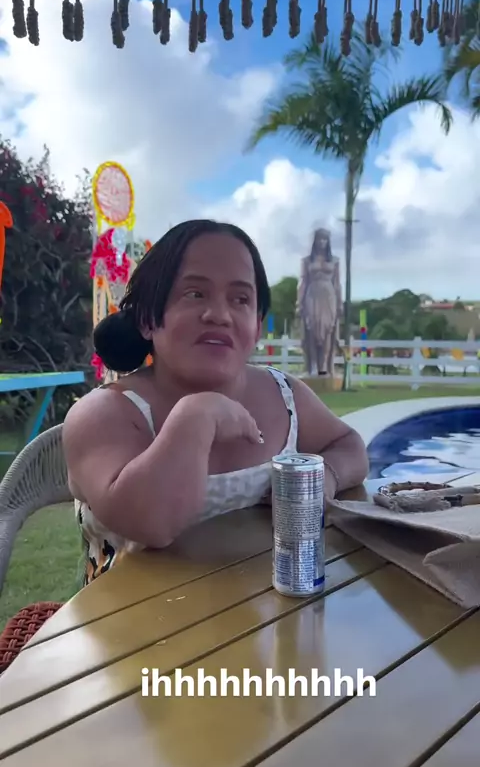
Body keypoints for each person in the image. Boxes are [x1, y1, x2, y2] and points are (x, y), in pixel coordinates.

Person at [63, 219, 369, 585]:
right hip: (128, 617)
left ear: (257, 325)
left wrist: (326, 477)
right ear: (147, 318)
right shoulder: (106, 413)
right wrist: (195, 418)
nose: (220, 315)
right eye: (195, 294)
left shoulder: (285, 395)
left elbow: (348, 445)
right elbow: (153, 524)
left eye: (241, 299)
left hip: (268, 607)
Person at [296, 228, 342, 377]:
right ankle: (313, 366)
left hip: (329, 296)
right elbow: (303, 281)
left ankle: (325, 366)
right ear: (315, 241)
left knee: (328, 330)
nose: (322, 242)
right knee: (312, 329)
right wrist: (299, 302)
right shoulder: (307, 261)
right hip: (312, 295)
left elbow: (337, 283)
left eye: (325, 239)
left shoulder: (334, 261)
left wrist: (340, 303)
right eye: (319, 239)